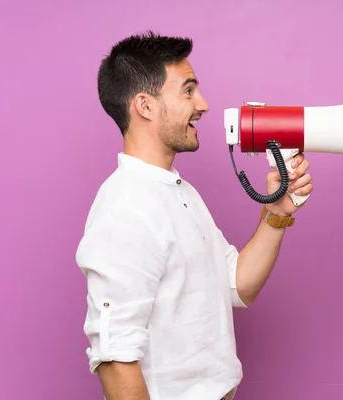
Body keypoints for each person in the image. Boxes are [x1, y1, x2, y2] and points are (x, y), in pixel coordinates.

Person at [75, 31, 313, 400]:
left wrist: (276, 213)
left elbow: (238, 284)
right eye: (188, 90)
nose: (202, 103)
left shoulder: (179, 192)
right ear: (145, 105)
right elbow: (114, 356)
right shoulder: (125, 206)